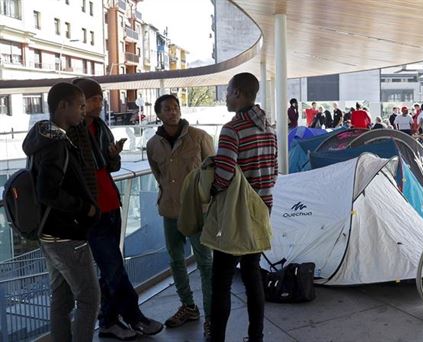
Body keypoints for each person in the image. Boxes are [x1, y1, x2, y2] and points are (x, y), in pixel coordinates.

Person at [68, 78, 163, 339]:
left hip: (112, 204)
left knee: (112, 268)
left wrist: (112, 154)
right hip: (92, 212)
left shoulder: (100, 127)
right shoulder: (70, 132)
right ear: (80, 102)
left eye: (100, 97)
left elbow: (112, 167)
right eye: (94, 98)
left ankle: (108, 321)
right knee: (113, 268)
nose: (100, 102)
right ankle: (134, 317)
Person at [23, 82, 100, 342]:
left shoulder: (42, 137)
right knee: (89, 299)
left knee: (62, 298)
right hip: (67, 234)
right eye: (79, 106)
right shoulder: (55, 143)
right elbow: (49, 191)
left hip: (49, 234)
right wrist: (85, 208)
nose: (83, 111)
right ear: (62, 106)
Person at [211, 72, 278, 342]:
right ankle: (256, 337)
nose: (226, 96)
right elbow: (273, 172)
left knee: (221, 281)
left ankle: (216, 338)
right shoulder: (269, 128)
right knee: (252, 275)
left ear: (238, 93)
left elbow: (224, 176)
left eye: (227, 91)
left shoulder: (232, 129)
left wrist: (211, 191)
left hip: (236, 214)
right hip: (262, 208)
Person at [146, 94, 215, 336]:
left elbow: (212, 171)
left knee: (205, 263)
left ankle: (211, 317)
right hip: (169, 211)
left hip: (197, 210)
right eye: (166, 108)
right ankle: (188, 306)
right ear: (159, 114)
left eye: (175, 107)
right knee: (175, 260)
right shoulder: (153, 144)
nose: (172, 111)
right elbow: (159, 175)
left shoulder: (199, 137)